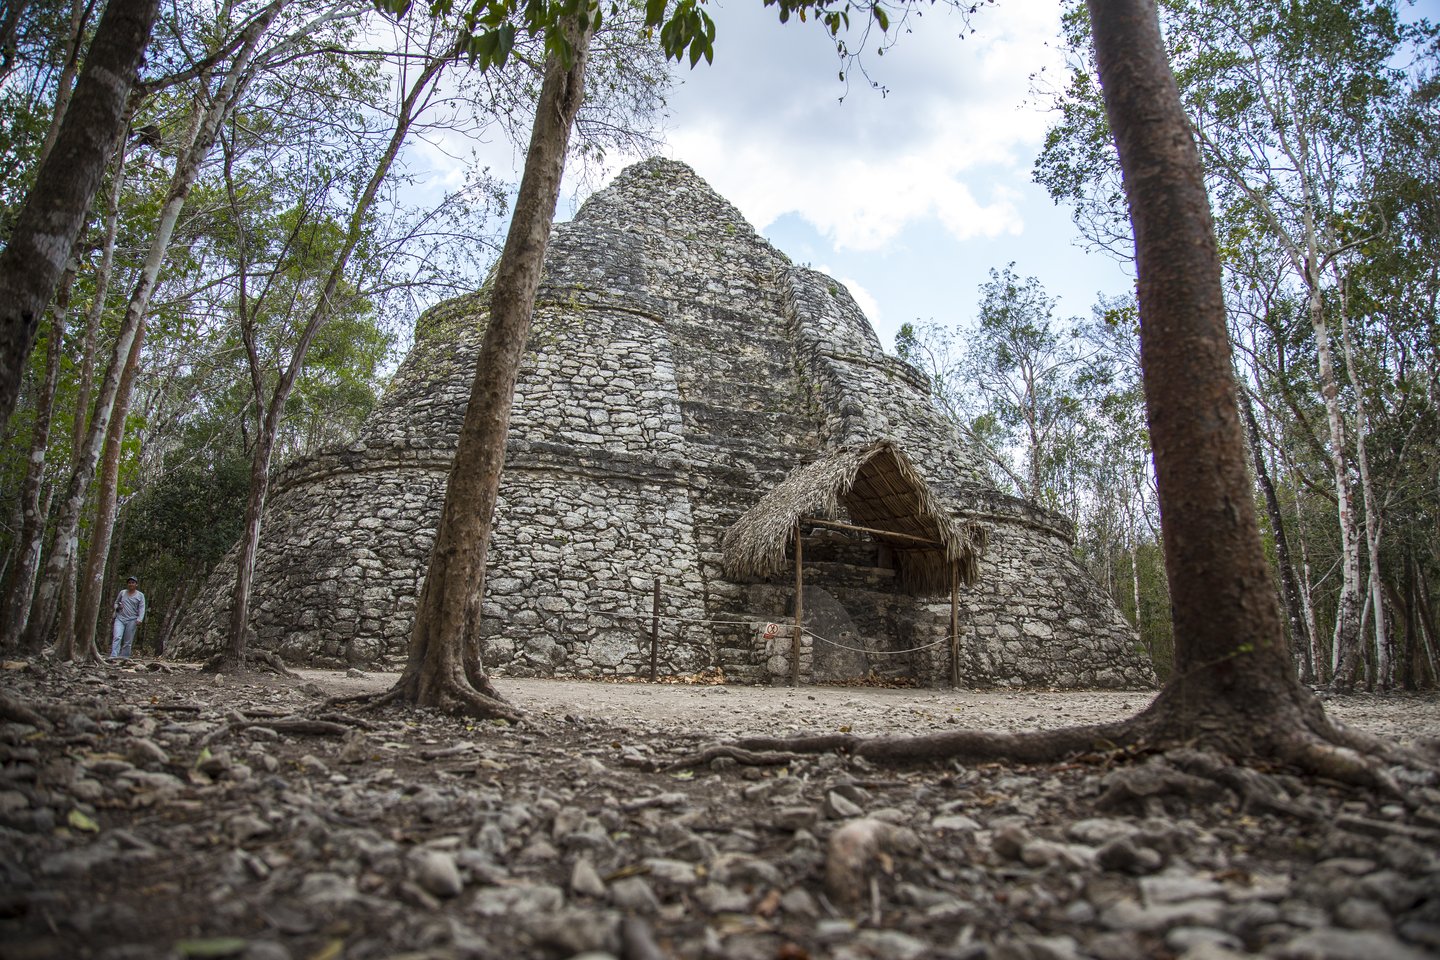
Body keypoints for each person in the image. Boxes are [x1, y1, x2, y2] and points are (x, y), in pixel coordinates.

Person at [111, 576, 146, 659]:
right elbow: (116, 603)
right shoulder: (122, 593)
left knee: (128, 641)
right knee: (117, 637)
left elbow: (142, 608)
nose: (131, 584)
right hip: (120, 618)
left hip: (132, 620)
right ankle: (113, 656)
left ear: (136, 584)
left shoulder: (140, 595)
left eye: (133, 583)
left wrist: (140, 619)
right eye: (129, 582)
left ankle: (124, 658)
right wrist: (118, 607)